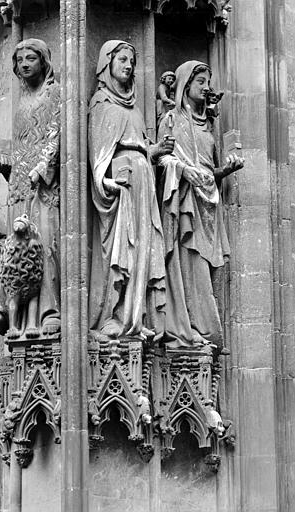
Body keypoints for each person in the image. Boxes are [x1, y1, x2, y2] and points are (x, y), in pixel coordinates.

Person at [88, 40, 174, 341]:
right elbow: (98, 155)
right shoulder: (101, 104)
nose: (128, 66)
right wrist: (105, 182)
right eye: (122, 59)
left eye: (132, 62)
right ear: (107, 64)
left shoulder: (135, 111)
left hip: (142, 187)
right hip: (120, 190)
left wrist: (156, 150)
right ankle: (113, 317)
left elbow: (139, 146)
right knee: (120, 251)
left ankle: (136, 315)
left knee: (142, 251)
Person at [158, 60, 244, 349]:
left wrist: (226, 170)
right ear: (185, 86)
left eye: (207, 81)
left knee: (209, 267)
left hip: (208, 206)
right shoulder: (171, 120)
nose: (206, 87)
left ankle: (205, 329)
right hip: (184, 203)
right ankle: (186, 326)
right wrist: (183, 170)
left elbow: (210, 171)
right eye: (200, 82)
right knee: (187, 263)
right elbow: (162, 158)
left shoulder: (208, 128)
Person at [0, 39, 61, 338]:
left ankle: (49, 311)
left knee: (45, 246)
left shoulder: (54, 94)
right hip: (20, 186)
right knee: (16, 250)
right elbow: (23, 144)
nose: (24, 64)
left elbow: (56, 138)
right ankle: (9, 312)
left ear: (43, 61)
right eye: (19, 60)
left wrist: (42, 167)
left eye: (30, 58)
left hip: (45, 186)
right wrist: (9, 164)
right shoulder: (20, 101)